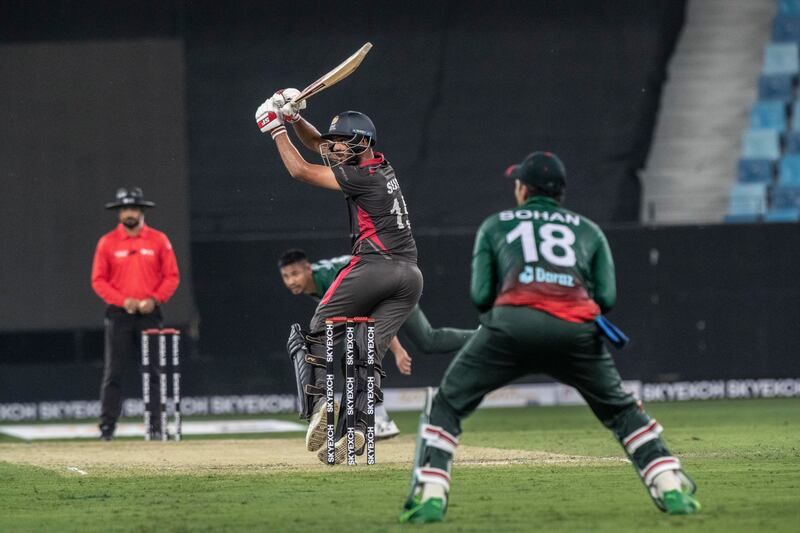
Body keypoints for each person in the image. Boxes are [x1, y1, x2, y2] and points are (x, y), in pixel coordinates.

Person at [399, 152, 700, 523]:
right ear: (560, 193)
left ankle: (431, 496)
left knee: (448, 404)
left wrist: (509, 317)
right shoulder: (588, 230)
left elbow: (480, 297)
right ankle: (671, 487)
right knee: (621, 411)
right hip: (575, 332)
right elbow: (606, 299)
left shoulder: (496, 224)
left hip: (509, 327)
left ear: (523, 189)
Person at [256, 89, 423, 463]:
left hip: (375, 265)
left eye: (342, 143)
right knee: (368, 353)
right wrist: (295, 116)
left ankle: (321, 405)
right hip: (410, 277)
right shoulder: (379, 165)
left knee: (320, 324)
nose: (333, 149)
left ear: (361, 143)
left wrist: (275, 129)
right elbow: (319, 145)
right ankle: (361, 432)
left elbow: (301, 169)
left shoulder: (362, 178)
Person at [277, 249, 476, 439]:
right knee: (427, 340)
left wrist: (397, 350)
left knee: (356, 353)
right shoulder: (319, 281)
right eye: (286, 277)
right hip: (392, 281)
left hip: (393, 288)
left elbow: (373, 316)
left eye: (295, 274)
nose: (291, 281)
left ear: (308, 269)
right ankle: (483, 335)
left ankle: (380, 421)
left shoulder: (331, 279)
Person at [91, 187, 180, 441]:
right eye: (124, 209)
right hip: (119, 314)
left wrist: (154, 299)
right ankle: (107, 428)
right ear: (119, 213)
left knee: (153, 372)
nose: (129, 213)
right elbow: (98, 281)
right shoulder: (107, 242)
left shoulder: (158, 240)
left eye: (133, 208)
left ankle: (156, 426)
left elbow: (171, 276)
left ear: (141, 211)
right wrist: (124, 300)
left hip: (150, 314)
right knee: (114, 372)